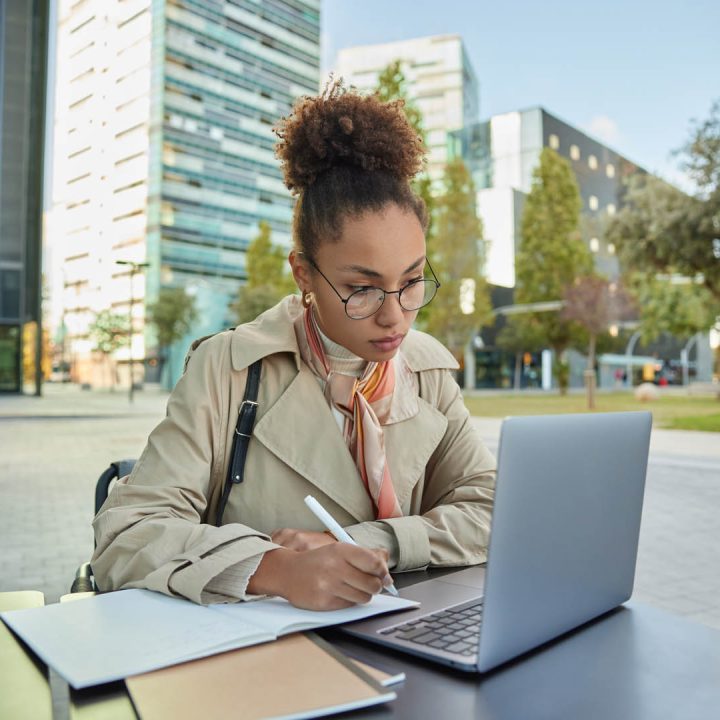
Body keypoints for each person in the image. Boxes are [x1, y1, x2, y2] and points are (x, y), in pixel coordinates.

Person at [91, 81, 496, 611]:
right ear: (304, 273)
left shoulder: (427, 370)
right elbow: (126, 533)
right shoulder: (229, 368)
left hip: (402, 641)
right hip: (264, 669)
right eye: (361, 288)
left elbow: (493, 510)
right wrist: (271, 568)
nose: (395, 315)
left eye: (413, 280)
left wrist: (376, 542)